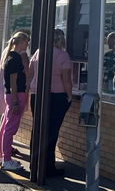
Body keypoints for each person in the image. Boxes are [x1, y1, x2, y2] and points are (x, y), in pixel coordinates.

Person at [29, 29, 73, 178]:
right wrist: (69, 96)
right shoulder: (63, 55)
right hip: (56, 96)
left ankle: (35, 164)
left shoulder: (38, 52)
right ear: (61, 39)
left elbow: (30, 73)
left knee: (38, 129)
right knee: (51, 132)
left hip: (36, 95)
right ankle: (48, 167)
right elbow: (66, 79)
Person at [0, 31, 29, 171]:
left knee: (5, 127)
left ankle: (4, 157)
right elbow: (13, 82)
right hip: (16, 95)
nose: (28, 44)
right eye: (26, 42)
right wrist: (16, 102)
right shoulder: (15, 58)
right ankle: (7, 160)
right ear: (21, 42)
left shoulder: (10, 56)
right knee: (10, 129)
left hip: (10, 95)